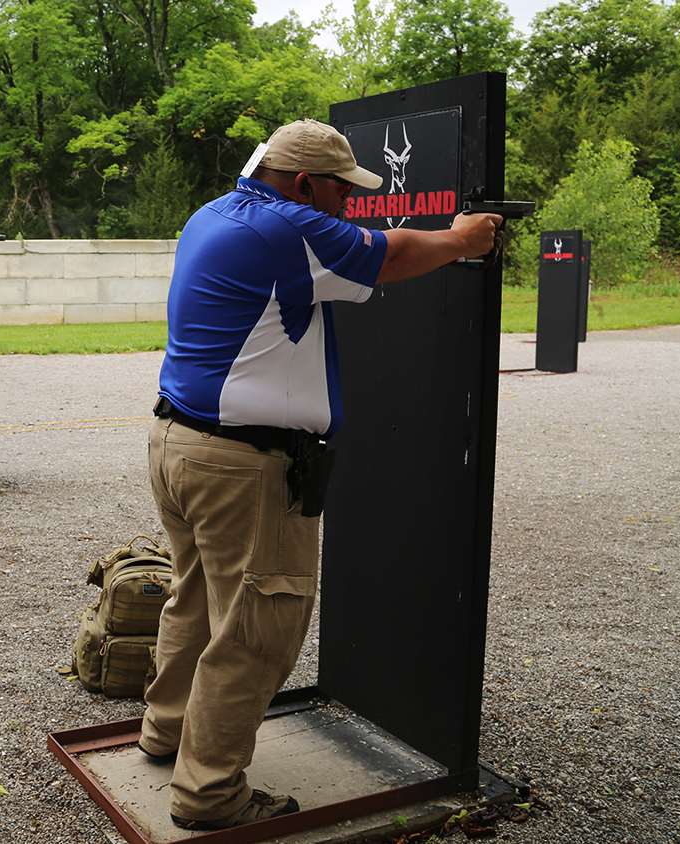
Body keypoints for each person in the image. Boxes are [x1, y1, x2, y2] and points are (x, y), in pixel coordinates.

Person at [140, 118, 500, 831]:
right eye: (341, 191)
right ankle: (209, 794)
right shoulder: (290, 229)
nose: (348, 205)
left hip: (179, 444)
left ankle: (167, 731)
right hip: (244, 464)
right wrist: (463, 239)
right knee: (257, 628)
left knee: (197, 600)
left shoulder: (217, 212)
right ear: (304, 184)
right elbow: (393, 253)